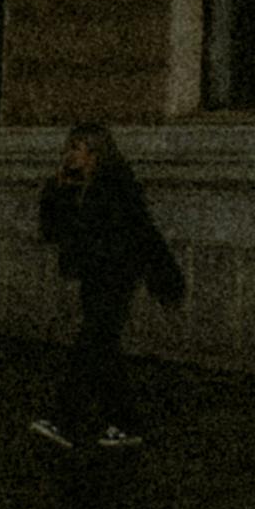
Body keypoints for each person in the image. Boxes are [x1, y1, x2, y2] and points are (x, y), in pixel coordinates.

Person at [31, 125, 180, 452]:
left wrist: (163, 277)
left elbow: (139, 233)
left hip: (115, 276)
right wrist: (57, 192)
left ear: (96, 153)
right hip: (94, 276)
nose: (71, 154)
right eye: (69, 146)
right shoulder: (77, 187)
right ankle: (126, 422)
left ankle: (64, 419)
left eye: (78, 147)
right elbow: (53, 231)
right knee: (103, 350)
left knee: (91, 344)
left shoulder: (115, 186)